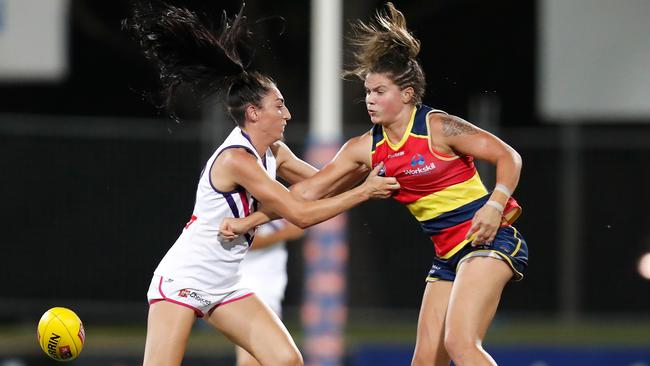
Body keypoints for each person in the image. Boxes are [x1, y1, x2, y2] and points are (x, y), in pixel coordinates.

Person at [220, 3, 528, 366]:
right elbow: (308, 192)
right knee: (425, 361)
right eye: (367, 91)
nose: (370, 99)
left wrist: (495, 204)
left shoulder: (439, 128)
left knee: (461, 343)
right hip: (447, 256)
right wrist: (248, 221)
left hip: (488, 240)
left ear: (408, 94)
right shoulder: (366, 148)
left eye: (380, 91)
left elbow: (509, 157)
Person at [125, 4, 399, 366]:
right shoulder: (237, 160)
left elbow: (320, 184)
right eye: (279, 105)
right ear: (254, 113)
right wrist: (364, 191)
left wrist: (368, 162)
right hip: (182, 280)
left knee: (287, 360)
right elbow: (300, 213)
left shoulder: (275, 151)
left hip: (225, 284)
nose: (286, 114)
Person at [235, 220, 304, 366]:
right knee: (253, 357)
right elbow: (239, 242)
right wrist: (284, 233)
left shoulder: (279, 202)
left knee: (270, 357)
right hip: (250, 284)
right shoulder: (245, 203)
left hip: (269, 285)